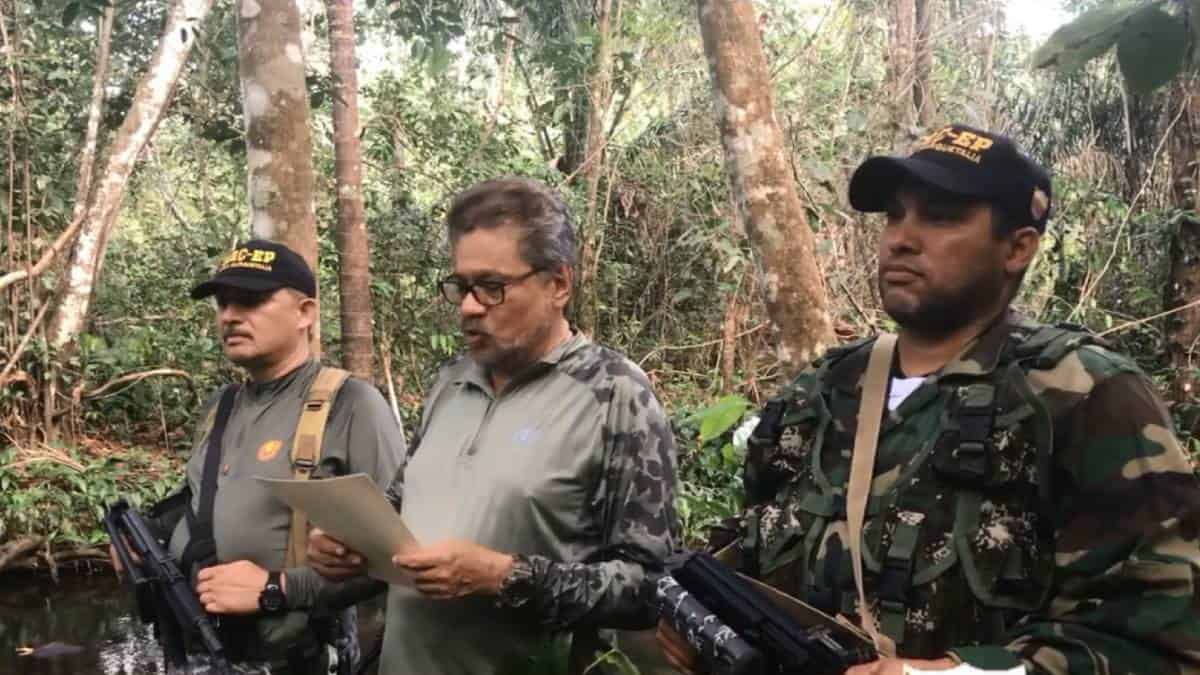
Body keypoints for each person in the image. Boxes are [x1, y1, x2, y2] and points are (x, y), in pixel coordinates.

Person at [656, 124, 1200, 675]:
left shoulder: (1082, 394)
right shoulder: (821, 390)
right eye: (895, 214)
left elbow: (1162, 638)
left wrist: (955, 674)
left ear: (1017, 248)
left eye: (940, 216)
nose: (901, 238)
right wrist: (701, 621)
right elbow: (748, 541)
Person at [307, 177, 681, 674]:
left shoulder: (614, 394)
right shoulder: (450, 383)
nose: (468, 307)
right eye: (461, 286)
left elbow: (650, 584)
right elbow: (402, 515)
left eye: (492, 287)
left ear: (559, 284)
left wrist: (505, 578)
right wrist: (349, 547)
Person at [109, 239, 405, 674]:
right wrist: (145, 538)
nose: (229, 316)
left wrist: (275, 589)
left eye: (250, 301)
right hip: (203, 655)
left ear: (305, 313)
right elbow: (200, 501)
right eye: (223, 303)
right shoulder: (221, 406)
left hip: (299, 660)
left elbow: (396, 558)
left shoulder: (352, 405)